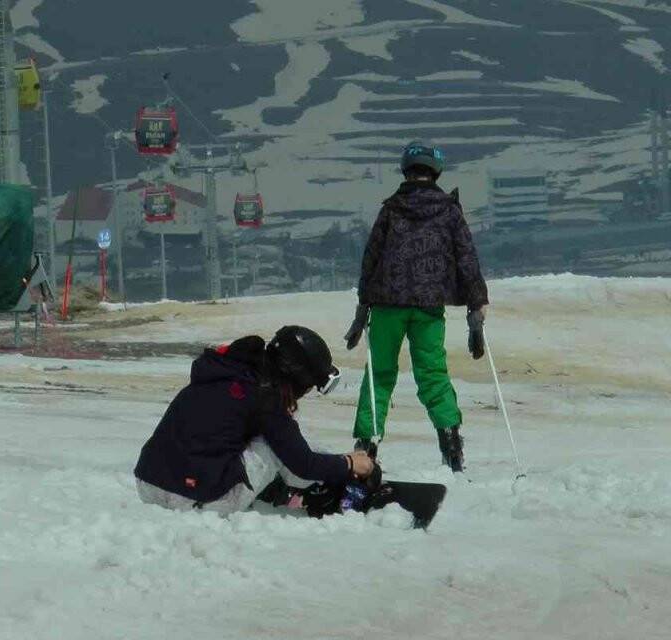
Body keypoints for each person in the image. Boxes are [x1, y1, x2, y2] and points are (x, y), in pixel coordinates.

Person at [344, 141, 489, 473]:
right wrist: (475, 307)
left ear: (406, 170)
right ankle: (452, 449)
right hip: (428, 307)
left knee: (379, 375)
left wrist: (362, 308)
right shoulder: (450, 211)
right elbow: (467, 259)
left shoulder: (391, 209)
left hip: (386, 305)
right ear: (435, 172)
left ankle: (367, 448)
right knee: (433, 375)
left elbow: (371, 259)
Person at [134, 326, 377, 514]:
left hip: (148, 484)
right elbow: (302, 464)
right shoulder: (266, 396)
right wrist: (348, 464)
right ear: (297, 377)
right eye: (308, 386)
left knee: (259, 438)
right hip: (192, 498)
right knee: (274, 446)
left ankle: (269, 486)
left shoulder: (227, 372)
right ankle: (323, 491)